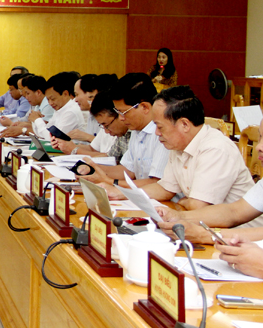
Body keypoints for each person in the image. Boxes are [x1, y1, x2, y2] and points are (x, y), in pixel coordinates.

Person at [104, 86, 254, 208]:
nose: (156, 133)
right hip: (201, 223)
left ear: (184, 124)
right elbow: (164, 189)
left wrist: (184, 202)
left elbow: (197, 206)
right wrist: (120, 193)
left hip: (236, 232)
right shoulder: (178, 145)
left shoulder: (215, 149)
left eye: (160, 127)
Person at [156, 115, 263, 244]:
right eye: (260, 137)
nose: (258, 147)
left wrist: (202, 235)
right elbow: (234, 211)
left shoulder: (217, 146)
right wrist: (178, 216)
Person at [78, 73, 169, 190]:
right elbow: (127, 170)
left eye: (124, 112)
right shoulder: (136, 130)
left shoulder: (162, 133)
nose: (121, 118)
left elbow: (157, 183)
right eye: (118, 112)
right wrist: (92, 169)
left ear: (144, 107)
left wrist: (110, 182)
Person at [51, 91, 129, 161]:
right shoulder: (109, 125)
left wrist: (74, 150)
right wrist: (66, 146)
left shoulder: (125, 132)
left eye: (91, 97)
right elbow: (96, 150)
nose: (106, 131)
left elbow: (110, 159)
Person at [29, 72, 84, 140]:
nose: (50, 103)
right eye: (48, 99)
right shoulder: (59, 109)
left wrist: (37, 120)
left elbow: (52, 138)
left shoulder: (71, 111)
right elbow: (42, 134)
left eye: (53, 99)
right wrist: (35, 120)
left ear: (65, 94)